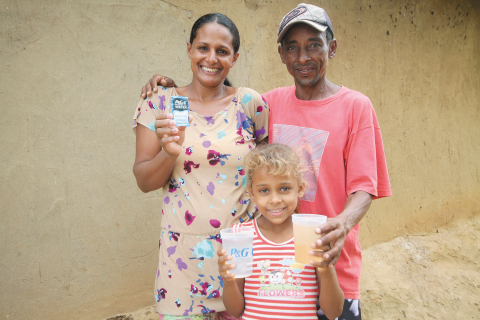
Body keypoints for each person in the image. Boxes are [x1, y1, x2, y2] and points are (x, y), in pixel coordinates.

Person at [140, 4, 392, 319]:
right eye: (293, 48)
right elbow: (212, 108)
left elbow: (365, 186)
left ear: (333, 47)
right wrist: (168, 86)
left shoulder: (356, 106)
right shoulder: (267, 103)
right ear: (282, 54)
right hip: (271, 273)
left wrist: (341, 224)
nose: (303, 57)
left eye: (314, 44)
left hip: (329, 262)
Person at [132, 13, 269, 320]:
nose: (211, 58)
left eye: (222, 51)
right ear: (189, 50)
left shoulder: (249, 103)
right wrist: (169, 153)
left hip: (240, 256)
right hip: (181, 260)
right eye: (202, 48)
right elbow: (144, 180)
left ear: (234, 58)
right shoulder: (160, 102)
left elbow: (267, 172)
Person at [217, 144, 344, 320]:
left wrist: (326, 269)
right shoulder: (241, 235)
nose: (275, 200)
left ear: (300, 189)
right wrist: (229, 281)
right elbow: (235, 310)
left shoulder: (312, 235)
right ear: (252, 194)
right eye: (264, 191)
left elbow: (333, 312)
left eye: (284, 188)